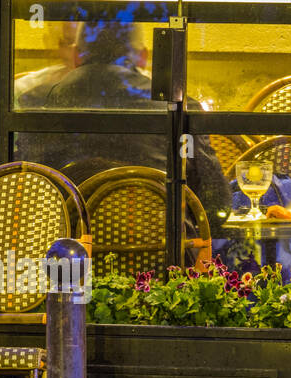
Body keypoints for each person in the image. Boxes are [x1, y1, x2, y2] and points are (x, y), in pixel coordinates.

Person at [13, 17, 230, 231]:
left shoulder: (34, 104)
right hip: (157, 257)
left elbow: (20, 194)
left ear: (77, 55)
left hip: (63, 256)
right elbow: (216, 205)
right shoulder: (179, 107)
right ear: (142, 57)